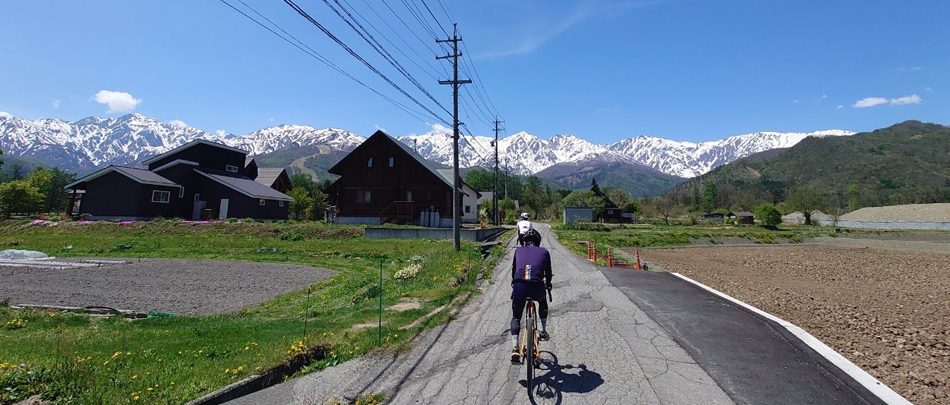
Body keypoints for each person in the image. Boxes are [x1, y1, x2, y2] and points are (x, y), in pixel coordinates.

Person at [510, 228, 552, 362]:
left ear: (524, 241)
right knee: (543, 301)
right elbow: (548, 273)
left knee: (516, 316)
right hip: (537, 287)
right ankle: (543, 330)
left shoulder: (518, 250)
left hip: (519, 286)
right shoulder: (544, 252)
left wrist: (514, 283)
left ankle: (515, 347)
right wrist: (548, 284)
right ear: (538, 241)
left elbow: (514, 270)